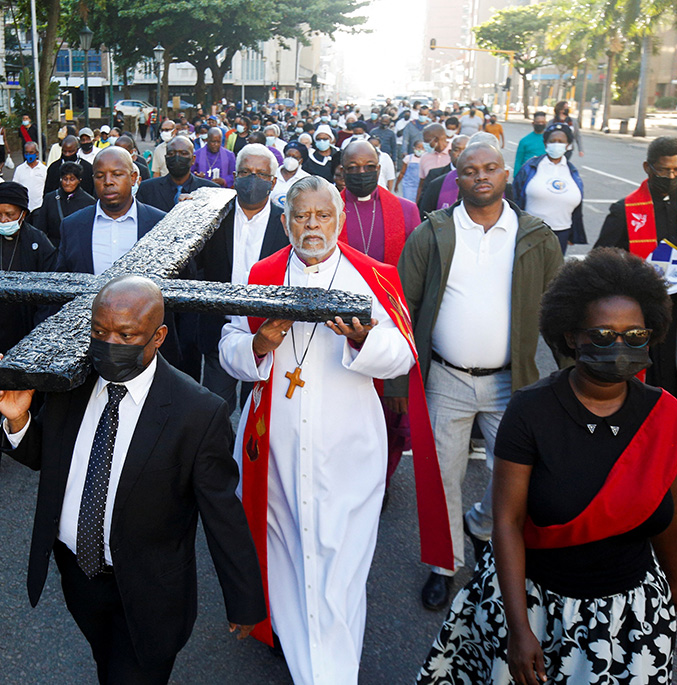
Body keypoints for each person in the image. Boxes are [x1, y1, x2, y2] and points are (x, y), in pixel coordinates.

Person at [417, 248, 677, 685]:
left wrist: (674, 585)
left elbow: (668, 516)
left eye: (634, 334)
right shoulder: (530, 410)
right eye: (602, 335)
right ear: (570, 337)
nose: (619, 346)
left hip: (631, 609)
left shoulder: (666, 415)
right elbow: (506, 522)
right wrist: (519, 627)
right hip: (538, 603)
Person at [220, 175, 451, 685]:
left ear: (340, 220)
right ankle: (309, 657)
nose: (312, 225)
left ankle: (329, 671)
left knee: (340, 568)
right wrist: (259, 345)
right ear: (285, 223)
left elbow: (402, 356)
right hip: (275, 448)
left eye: (323, 215)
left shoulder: (373, 276)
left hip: (349, 449)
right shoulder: (259, 274)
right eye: (301, 216)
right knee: (285, 560)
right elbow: (229, 347)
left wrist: (365, 340)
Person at [0, 274, 266, 684]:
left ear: (157, 337)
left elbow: (222, 512)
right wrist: (18, 419)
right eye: (99, 331)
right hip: (79, 576)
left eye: (126, 335)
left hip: (150, 592)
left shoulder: (197, 412)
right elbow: (49, 462)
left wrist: (243, 599)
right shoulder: (73, 384)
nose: (110, 345)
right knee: (108, 664)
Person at [393, 143, 563, 611]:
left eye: (490, 168)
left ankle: (485, 523)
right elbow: (401, 308)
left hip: (513, 381)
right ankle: (445, 566)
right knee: (442, 475)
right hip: (445, 379)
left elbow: (560, 310)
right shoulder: (433, 233)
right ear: (457, 177)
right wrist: (396, 384)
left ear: (506, 174)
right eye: (470, 171)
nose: (481, 177)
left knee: (514, 473)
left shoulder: (536, 236)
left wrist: (574, 379)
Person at [337, 139, 422, 493]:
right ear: (341, 171)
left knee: (388, 414)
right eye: (353, 168)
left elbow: (414, 285)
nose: (361, 173)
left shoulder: (405, 211)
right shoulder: (327, 208)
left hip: (387, 328)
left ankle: (381, 481)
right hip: (338, 328)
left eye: (368, 167)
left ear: (380, 168)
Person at [594, 136, 677, 403]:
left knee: (672, 379)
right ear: (647, 167)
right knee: (640, 380)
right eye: (664, 170)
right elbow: (600, 258)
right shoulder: (626, 208)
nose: (672, 176)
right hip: (640, 311)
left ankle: (669, 438)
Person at [0, 182, 57, 471]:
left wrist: (40, 335)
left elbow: (50, 294)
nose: (2, 220)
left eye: (9, 214)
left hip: (25, 328)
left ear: (23, 214)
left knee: (26, 391)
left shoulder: (40, 243)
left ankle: (32, 445)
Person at [196, 144, 288, 408]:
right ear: (235, 177)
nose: (252, 179)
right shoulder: (213, 217)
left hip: (266, 336)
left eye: (261, 174)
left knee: (257, 411)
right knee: (214, 411)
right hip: (219, 332)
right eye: (246, 172)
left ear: (272, 182)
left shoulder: (284, 226)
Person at [57, 147, 166, 275]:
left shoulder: (160, 224)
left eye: (117, 174)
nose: (108, 182)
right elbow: (62, 282)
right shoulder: (72, 226)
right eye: (100, 176)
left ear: (133, 178)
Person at [513, 122, 586, 254]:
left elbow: (577, 204)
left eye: (560, 141)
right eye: (552, 141)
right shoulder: (531, 167)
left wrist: (573, 233)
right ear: (546, 144)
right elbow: (516, 195)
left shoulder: (572, 172)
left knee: (555, 272)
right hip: (531, 231)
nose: (556, 144)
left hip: (562, 233)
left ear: (568, 145)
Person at [138, 135, 218, 213]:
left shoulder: (211, 191)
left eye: (183, 153)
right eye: (171, 154)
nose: (177, 158)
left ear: (193, 159)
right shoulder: (147, 190)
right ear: (166, 158)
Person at [27, 161, 95, 247]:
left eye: (72, 179)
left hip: (77, 249)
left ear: (79, 180)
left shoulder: (89, 202)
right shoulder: (50, 198)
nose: (68, 183)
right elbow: (41, 228)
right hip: (54, 250)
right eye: (65, 179)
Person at [418, 135, 469, 215]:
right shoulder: (435, 175)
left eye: (465, 150)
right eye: (457, 150)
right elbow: (424, 209)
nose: (461, 154)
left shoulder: (477, 179)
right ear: (450, 153)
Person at [271, 141, 310, 210]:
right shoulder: (273, 174)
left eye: (295, 157)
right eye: (288, 156)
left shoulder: (306, 179)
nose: (290, 160)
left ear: (301, 161)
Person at [416, 123, 451, 201]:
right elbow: (421, 185)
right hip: (430, 201)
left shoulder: (454, 153)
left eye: (427, 141)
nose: (425, 145)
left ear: (436, 140)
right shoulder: (425, 157)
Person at [12, 140, 49, 212]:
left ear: (37, 153)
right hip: (24, 208)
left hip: (39, 207)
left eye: (31, 152)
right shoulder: (19, 169)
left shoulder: (44, 170)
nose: (29, 155)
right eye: (26, 153)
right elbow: (15, 187)